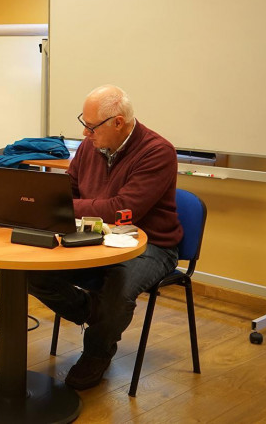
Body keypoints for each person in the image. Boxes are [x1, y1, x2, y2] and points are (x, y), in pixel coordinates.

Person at [27, 85, 183, 390]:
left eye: (91, 126)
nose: (85, 134)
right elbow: (68, 192)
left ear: (118, 123)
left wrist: (58, 205)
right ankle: (94, 314)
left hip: (150, 243)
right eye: (83, 124)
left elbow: (122, 209)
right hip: (96, 237)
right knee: (30, 268)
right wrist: (50, 204)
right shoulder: (90, 147)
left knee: (118, 287)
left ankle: (97, 352)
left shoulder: (158, 152)